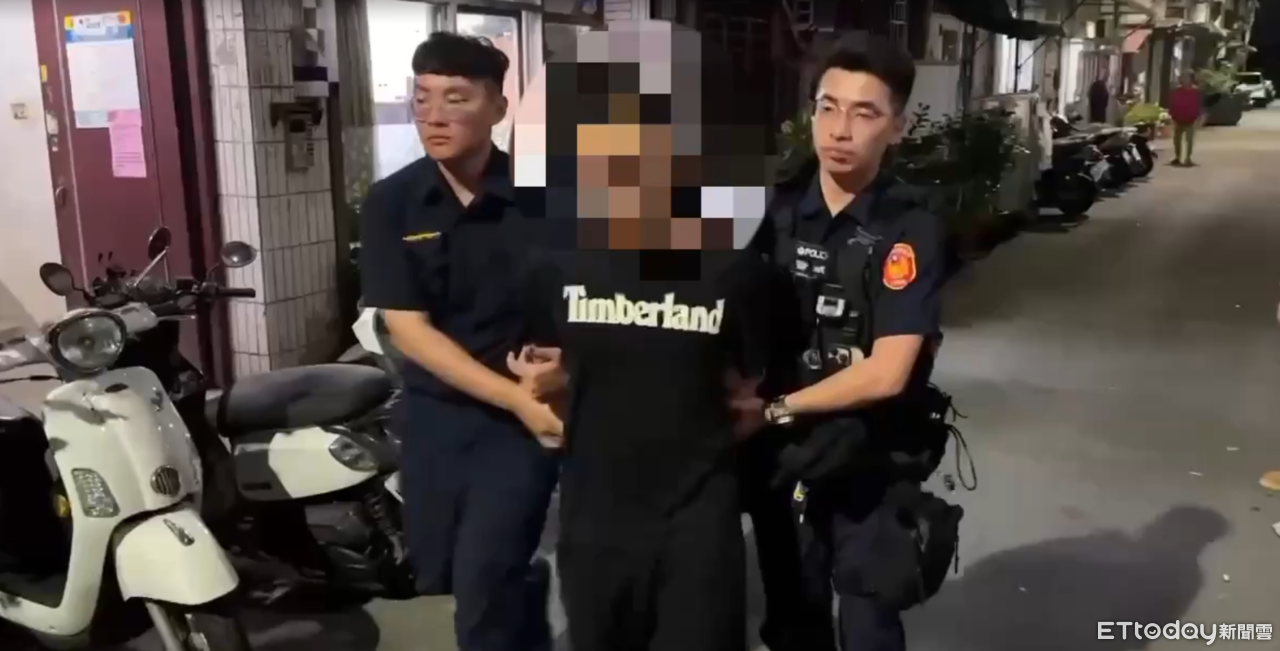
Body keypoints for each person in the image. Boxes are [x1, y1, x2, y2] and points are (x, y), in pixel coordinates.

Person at [505, 20, 778, 651]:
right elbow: (550, 367)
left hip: (698, 521)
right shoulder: (555, 263)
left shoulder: (735, 267)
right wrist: (555, 388)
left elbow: (748, 384)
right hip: (594, 521)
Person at [747, 35, 955, 651]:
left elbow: (887, 373)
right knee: (793, 618)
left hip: (872, 455)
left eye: (865, 113)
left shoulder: (909, 227)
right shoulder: (772, 210)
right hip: (783, 458)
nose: (840, 129)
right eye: (828, 107)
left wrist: (775, 409)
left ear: (897, 127)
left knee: (868, 619)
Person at [358, 32, 562, 651]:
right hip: (435, 419)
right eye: (422, 98)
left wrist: (562, 369)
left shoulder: (545, 197)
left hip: (520, 426)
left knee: (482, 589)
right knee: (441, 571)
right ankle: (527, 594)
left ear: (498, 108)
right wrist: (514, 396)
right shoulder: (393, 202)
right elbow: (408, 328)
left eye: (455, 98)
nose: (434, 115)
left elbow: (587, 302)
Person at [1169, 72, 1203, 167]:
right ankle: (1177, 157)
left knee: (1189, 140)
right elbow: (1172, 104)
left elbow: (1199, 105)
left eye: (1186, 77)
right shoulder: (1177, 91)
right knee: (1177, 140)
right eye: (1183, 77)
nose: (1184, 80)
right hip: (1178, 119)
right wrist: (1172, 116)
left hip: (1191, 119)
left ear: (1191, 79)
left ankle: (1188, 158)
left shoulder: (1196, 91)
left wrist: (1199, 118)